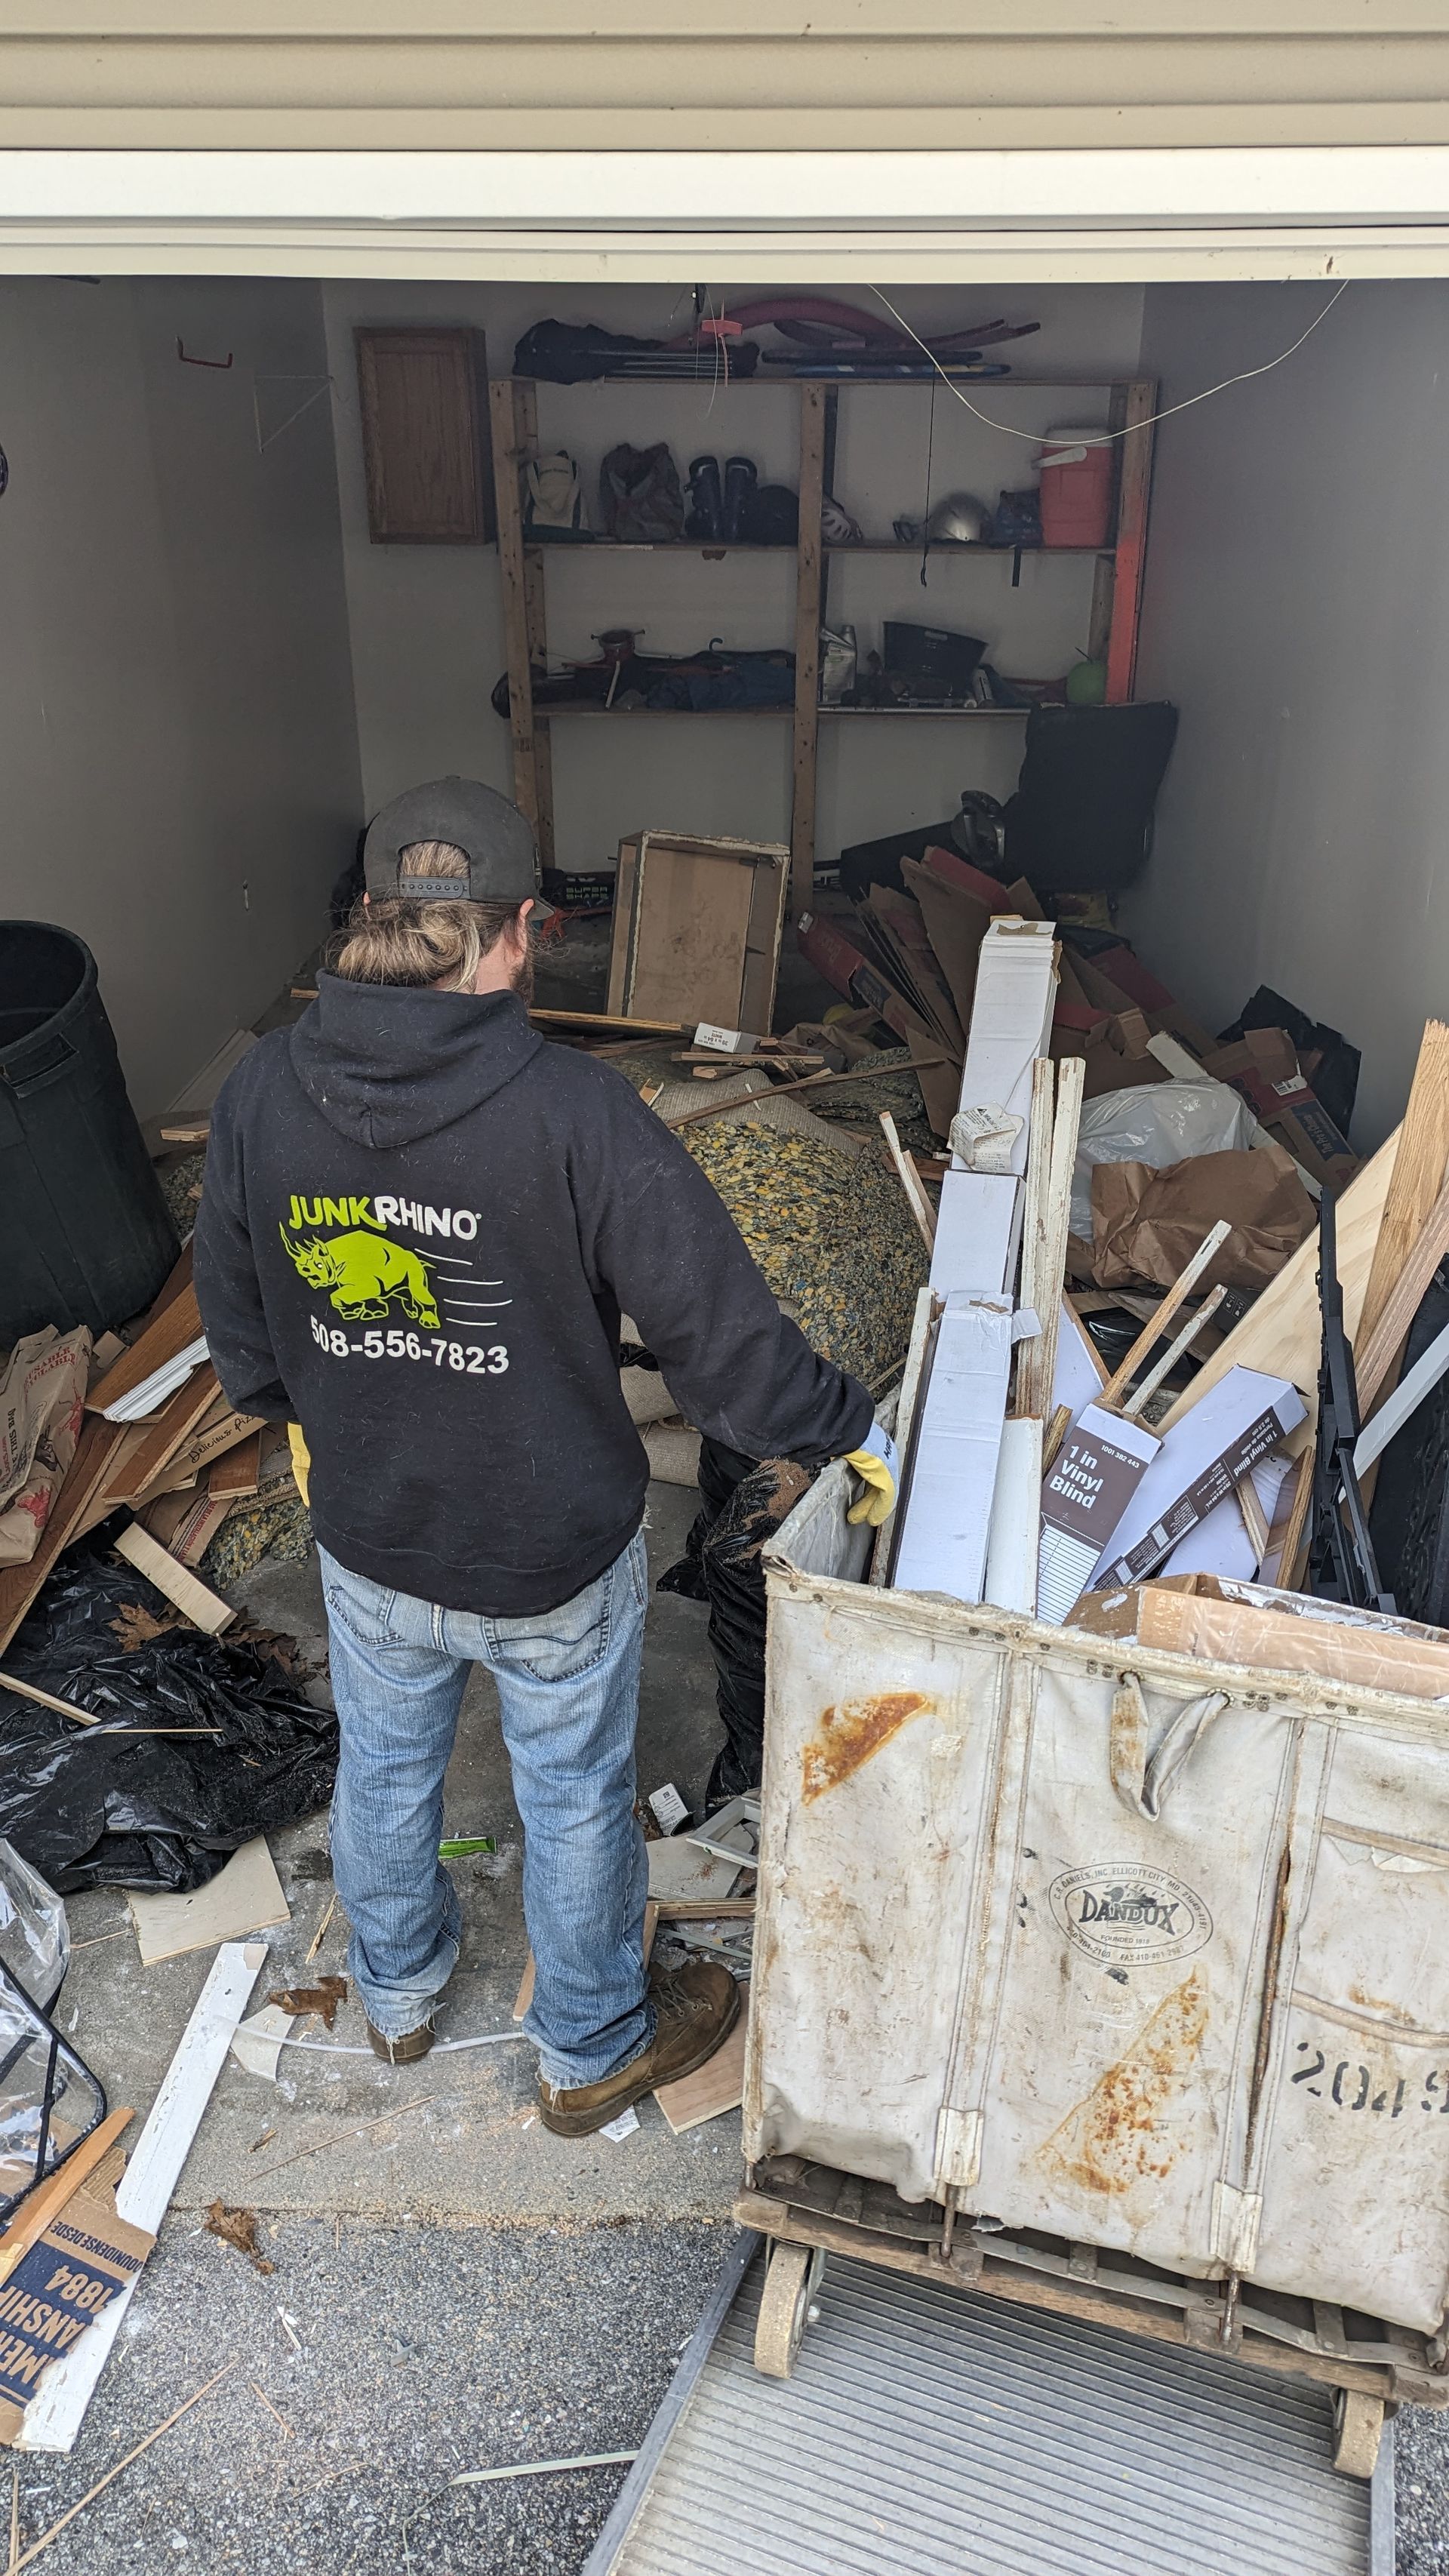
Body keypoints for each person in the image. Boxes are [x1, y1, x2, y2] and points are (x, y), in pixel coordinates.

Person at [194, 778, 896, 2137]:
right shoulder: (582, 1113)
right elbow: (728, 1353)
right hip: (553, 1551)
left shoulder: (259, 1093)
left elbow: (242, 1344)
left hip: (372, 1532)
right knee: (573, 1792)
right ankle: (586, 2049)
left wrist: (334, 1409)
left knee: (386, 1768)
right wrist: (853, 1431)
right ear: (515, 933)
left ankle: (396, 1998)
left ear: (372, 924)